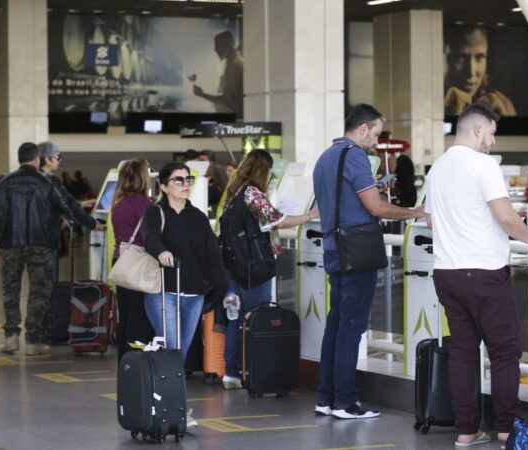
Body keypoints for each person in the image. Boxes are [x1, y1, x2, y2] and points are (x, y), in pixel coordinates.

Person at [424, 103, 528, 446]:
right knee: (504, 352)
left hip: (447, 273)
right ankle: (506, 428)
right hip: (485, 273)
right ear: (478, 130)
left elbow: (431, 220)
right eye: (492, 132)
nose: (492, 140)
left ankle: (466, 431)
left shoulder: (437, 168)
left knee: (463, 351)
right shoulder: (483, 165)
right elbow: (506, 218)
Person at [312, 104, 425, 419]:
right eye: (375, 133)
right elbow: (376, 209)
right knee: (351, 327)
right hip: (357, 252)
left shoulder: (325, 157)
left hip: (334, 249)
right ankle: (346, 402)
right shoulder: (357, 157)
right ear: (362, 128)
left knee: (336, 325)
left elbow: (339, 201)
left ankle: (326, 397)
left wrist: (371, 188)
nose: (375, 141)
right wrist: (416, 212)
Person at [143, 161, 234, 430]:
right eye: (178, 180)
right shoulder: (155, 212)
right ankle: (173, 408)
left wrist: (226, 290)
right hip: (163, 292)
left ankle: (168, 406)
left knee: (179, 355)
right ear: (164, 186)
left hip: (194, 295)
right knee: (172, 351)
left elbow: (213, 260)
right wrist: (161, 252)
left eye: (188, 180)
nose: (185, 185)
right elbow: (150, 239)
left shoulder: (198, 218)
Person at [220, 149, 319, 389]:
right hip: (254, 267)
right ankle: (254, 370)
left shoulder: (233, 192)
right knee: (256, 316)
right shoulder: (253, 193)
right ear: (264, 171)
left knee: (236, 318)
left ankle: (232, 372)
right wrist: (310, 215)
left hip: (233, 264)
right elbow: (277, 220)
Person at [0, 143, 81, 356]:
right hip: (41, 244)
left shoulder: (4, 182)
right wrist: (85, 223)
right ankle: (34, 341)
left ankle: (11, 338)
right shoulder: (47, 182)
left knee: (11, 290)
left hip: (10, 244)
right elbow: (66, 207)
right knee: (39, 291)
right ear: (37, 159)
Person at [110, 159, 156, 363]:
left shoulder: (118, 202)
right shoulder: (144, 204)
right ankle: (140, 361)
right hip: (139, 265)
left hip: (121, 262)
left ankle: (125, 360)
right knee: (141, 317)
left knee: (127, 316)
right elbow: (150, 237)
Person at [38, 141, 101, 252]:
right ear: (47, 160)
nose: (60, 160)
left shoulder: (31, 179)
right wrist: (92, 223)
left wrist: (79, 203)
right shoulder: (51, 180)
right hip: (46, 239)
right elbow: (68, 205)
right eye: (57, 157)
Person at [444, 27, 516, 117]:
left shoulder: (503, 103)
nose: (471, 72)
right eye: (460, 58)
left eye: (479, 57)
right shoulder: (425, 100)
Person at [193, 31, 244, 118]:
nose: (215, 49)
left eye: (218, 44)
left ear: (229, 44)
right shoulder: (235, 62)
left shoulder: (234, 65)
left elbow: (227, 101)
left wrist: (202, 95)